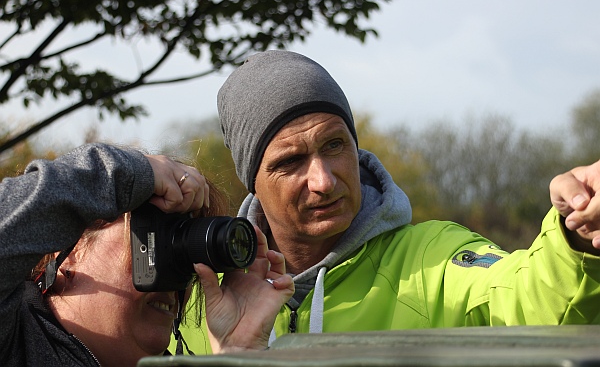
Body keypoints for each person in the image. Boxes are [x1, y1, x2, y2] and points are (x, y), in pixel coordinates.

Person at [174, 49, 600, 354]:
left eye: (335, 145)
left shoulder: (431, 260)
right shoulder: (199, 299)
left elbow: (525, 299)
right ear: (254, 181)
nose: (323, 180)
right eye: (291, 162)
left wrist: (577, 238)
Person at [0, 142, 294, 367]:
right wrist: (129, 173)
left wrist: (236, 354)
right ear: (71, 248)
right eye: (156, 236)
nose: (179, 269)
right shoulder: (15, 343)